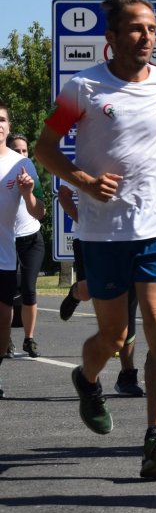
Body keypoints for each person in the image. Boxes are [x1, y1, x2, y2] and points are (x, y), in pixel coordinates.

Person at [34, 0, 156, 480]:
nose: (147, 36)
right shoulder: (83, 88)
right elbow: (46, 148)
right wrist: (84, 181)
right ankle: (87, 379)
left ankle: (155, 435)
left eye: (151, 28)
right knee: (114, 335)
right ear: (110, 38)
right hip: (103, 231)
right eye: (135, 28)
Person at [57, 184, 146, 397]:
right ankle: (75, 293)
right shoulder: (89, 154)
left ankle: (127, 374)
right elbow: (64, 194)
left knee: (129, 305)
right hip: (90, 239)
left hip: (130, 239)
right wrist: (82, 219)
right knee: (88, 290)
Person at [1, 109, 44, 397]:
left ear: (8, 125)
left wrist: (28, 193)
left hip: (3, 256)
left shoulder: (21, 164)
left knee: (3, 324)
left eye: (1, 120)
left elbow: (39, 211)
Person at [6, 133, 46, 358]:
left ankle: (29, 339)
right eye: (17, 150)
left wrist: (28, 193)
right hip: (7, 241)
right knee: (8, 292)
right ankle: (6, 337)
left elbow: (40, 210)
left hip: (31, 238)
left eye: (24, 151)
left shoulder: (30, 171)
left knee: (29, 289)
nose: (21, 154)